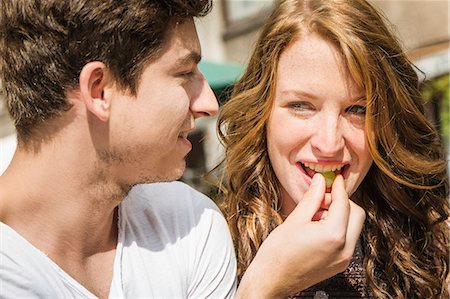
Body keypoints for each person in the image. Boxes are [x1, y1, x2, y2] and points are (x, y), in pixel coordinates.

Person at [0, 0, 367, 298]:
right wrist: (263, 286)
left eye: (359, 108)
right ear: (100, 91)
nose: (208, 102)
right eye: (185, 73)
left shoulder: (189, 223)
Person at [214, 0, 450, 298]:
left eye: (357, 109)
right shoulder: (209, 250)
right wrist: (262, 287)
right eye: (301, 106)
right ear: (260, 113)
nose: (329, 144)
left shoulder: (433, 245)